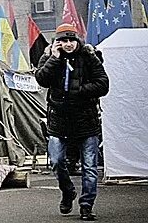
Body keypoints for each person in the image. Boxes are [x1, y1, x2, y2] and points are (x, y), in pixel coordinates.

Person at [35, 23, 109, 221]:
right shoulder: (50, 56)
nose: (67, 44)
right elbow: (41, 79)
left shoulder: (89, 56)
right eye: (63, 40)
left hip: (86, 119)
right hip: (59, 120)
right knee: (57, 161)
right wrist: (54, 58)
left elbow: (103, 84)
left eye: (71, 40)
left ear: (77, 40)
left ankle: (86, 205)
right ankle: (68, 192)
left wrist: (80, 91)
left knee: (90, 167)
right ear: (57, 42)